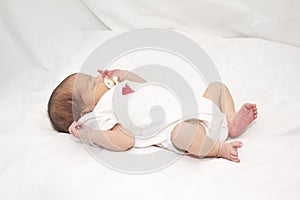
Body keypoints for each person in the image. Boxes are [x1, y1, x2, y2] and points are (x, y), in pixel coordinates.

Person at [48, 69, 257, 163]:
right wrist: (90, 134)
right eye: (93, 84)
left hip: (198, 107)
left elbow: (144, 86)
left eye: (93, 77)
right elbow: (125, 140)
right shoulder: (104, 112)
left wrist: (124, 75)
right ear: (86, 112)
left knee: (217, 88)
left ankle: (230, 122)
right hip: (185, 127)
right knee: (182, 133)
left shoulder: (121, 88)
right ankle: (218, 148)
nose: (98, 78)